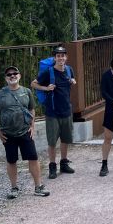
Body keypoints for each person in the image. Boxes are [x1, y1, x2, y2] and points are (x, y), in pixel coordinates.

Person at [0, 66, 50, 198]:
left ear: (19, 76)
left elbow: (32, 109)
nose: (12, 76)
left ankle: (38, 186)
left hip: (25, 131)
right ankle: (14, 188)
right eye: (9, 74)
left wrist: (32, 127)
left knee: (33, 158)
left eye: (15, 73)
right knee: (11, 160)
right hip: (8, 134)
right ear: (5, 78)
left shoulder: (27, 91)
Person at [31, 45, 77, 179]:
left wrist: (73, 81)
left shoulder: (69, 70)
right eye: (58, 56)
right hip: (52, 112)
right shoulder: (49, 72)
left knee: (65, 139)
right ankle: (52, 166)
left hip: (67, 111)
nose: (61, 58)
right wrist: (46, 88)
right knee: (52, 142)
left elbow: (72, 80)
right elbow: (33, 84)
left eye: (63, 55)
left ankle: (64, 163)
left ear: (66, 57)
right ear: (55, 58)